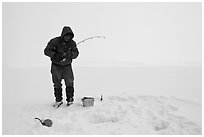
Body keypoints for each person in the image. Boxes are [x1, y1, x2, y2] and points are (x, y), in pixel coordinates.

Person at [44, 26, 79, 107]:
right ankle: (58, 100)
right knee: (57, 83)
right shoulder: (54, 41)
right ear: (63, 35)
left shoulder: (72, 43)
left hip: (67, 67)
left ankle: (70, 100)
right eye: (66, 36)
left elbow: (76, 53)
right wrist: (55, 55)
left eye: (69, 36)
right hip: (56, 67)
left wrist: (71, 54)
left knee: (70, 82)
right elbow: (46, 51)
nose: (68, 38)